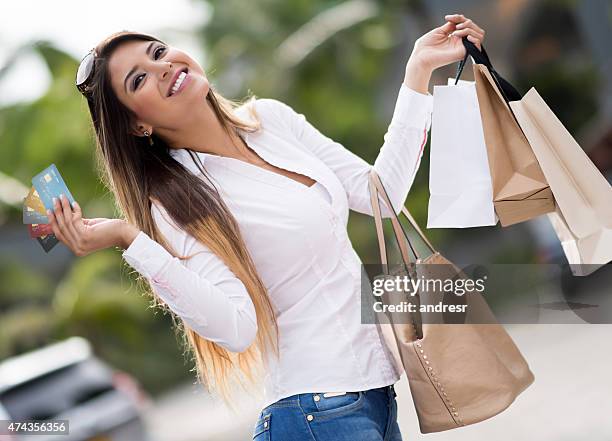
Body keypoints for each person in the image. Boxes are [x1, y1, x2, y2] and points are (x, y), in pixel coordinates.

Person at [47, 13, 485, 440]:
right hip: (318, 410)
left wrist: (418, 73)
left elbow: (382, 193)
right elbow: (237, 329)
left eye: (158, 52)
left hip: (374, 395)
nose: (162, 68)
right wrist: (131, 238)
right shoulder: (175, 203)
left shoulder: (271, 120)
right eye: (138, 79)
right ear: (137, 124)